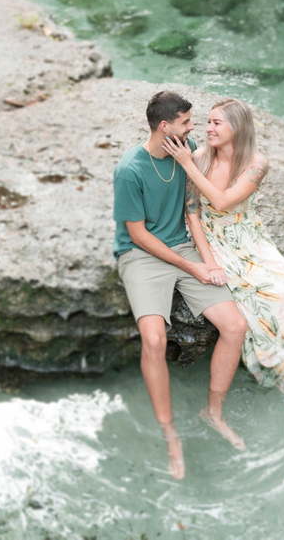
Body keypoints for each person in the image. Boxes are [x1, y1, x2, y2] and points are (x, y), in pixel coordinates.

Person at [114, 91, 250, 481]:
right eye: (188, 122)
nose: (196, 129)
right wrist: (190, 267)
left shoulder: (185, 149)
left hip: (184, 246)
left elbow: (192, 208)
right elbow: (138, 235)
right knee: (154, 340)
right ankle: (169, 432)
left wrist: (207, 262)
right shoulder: (129, 169)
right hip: (141, 254)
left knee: (235, 326)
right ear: (165, 126)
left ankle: (214, 412)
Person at [162, 98, 284, 410]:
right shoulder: (200, 157)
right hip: (213, 236)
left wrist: (186, 163)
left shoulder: (256, 163)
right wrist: (209, 261)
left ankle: (277, 363)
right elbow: (192, 212)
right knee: (268, 298)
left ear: (238, 127)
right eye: (208, 122)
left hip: (248, 232)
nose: (208, 129)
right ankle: (280, 373)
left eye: (217, 123)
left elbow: (223, 201)